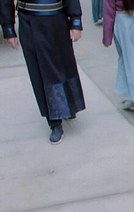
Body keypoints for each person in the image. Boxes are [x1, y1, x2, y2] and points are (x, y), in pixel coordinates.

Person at [1, 0, 86, 144]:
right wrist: (8, 27)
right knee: (40, 73)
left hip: (56, 18)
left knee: (65, 66)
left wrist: (75, 19)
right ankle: (54, 121)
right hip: (29, 20)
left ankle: (68, 106)